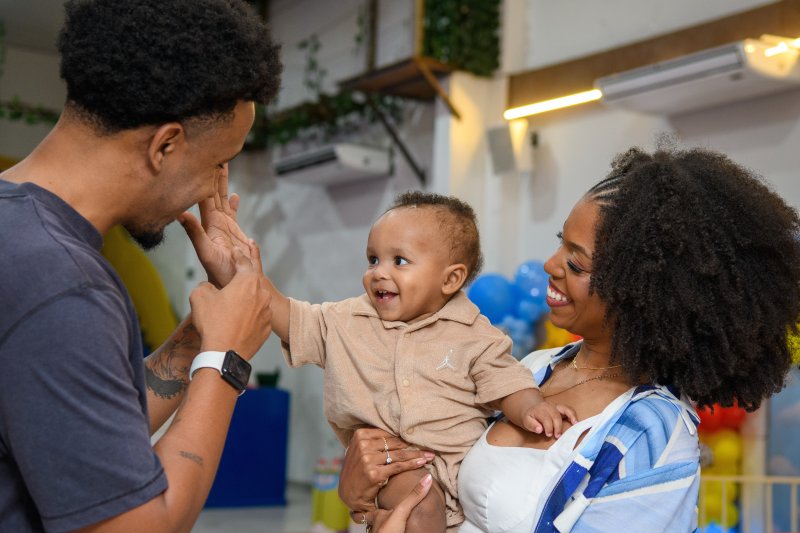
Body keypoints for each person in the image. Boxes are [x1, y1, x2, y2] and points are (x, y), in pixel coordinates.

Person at [338, 144, 800, 532]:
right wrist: (362, 492)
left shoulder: (653, 436)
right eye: (561, 243)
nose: (550, 265)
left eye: (576, 263)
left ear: (641, 293)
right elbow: (431, 476)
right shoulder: (536, 366)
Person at [0, 1, 282, 531]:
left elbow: (84, 418)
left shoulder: (19, 236)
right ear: (166, 145)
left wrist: (205, 331)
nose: (215, 186)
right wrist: (228, 360)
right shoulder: (63, 283)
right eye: (219, 161)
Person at [263, 191, 576, 531]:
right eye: (372, 259)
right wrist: (244, 274)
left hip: (457, 474)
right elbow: (290, 318)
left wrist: (531, 408)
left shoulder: (474, 334)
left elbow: (506, 382)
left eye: (399, 261)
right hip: (395, 471)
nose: (378, 273)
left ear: (450, 279)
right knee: (421, 503)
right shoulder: (347, 320)